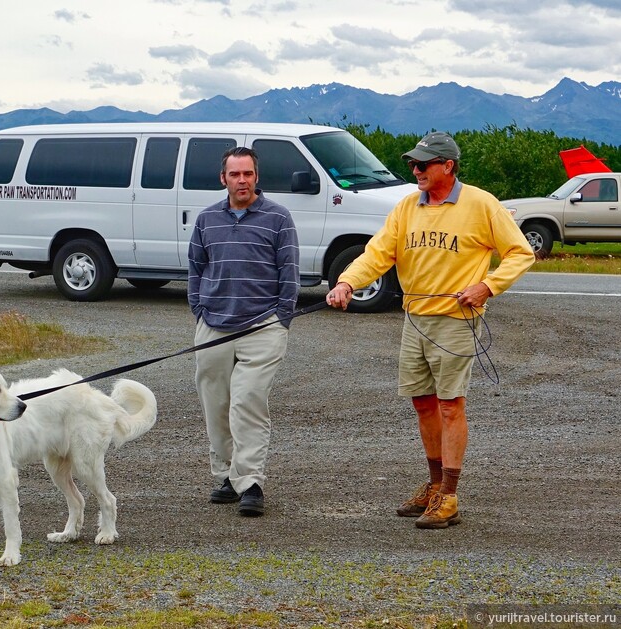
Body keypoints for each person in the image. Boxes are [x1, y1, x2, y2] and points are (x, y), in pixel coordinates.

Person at [326, 132, 535, 529]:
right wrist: (348, 282)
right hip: (414, 318)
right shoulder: (407, 207)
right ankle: (435, 484)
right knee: (423, 403)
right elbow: (378, 253)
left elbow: (520, 252)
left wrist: (487, 286)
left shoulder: (481, 203)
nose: (416, 170)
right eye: (413, 164)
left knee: (450, 404)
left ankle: (450, 497)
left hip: (456, 319)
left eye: (424, 164)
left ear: (448, 165)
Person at [188, 146, 299, 517]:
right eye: (234, 174)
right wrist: (199, 310)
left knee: (247, 401)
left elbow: (290, 274)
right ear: (223, 179)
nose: (241, 181)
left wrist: (281, 318)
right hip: (214, 325)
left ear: (257, 177)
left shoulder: (278, 218)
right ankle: (226, 476)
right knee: (215, 405)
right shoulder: (206, 220)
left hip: (262, 326)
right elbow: (195, 269)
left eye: (247, 174)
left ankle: (250, 482)